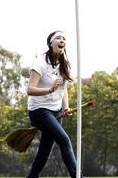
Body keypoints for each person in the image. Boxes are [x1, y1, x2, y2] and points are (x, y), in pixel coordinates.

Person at [26, 30, 80, 178]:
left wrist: (66, 107)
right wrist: (49, 90)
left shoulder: (64, 63)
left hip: (56, 112)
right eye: (58, 38)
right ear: (50, 43)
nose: (61, 40)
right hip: (39, 111)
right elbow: (29, 90)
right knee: (64, 140)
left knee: (45, 151)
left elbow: (63, 89)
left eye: (64, 38)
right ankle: (77, 176)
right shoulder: (40, 62)